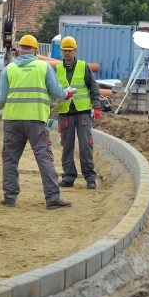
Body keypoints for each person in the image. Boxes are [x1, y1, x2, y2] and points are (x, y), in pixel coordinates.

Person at [0, 34, 73, 210]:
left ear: (18, 51)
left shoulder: (8, 69)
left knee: (9, 159)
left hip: (12, 120)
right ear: (36, 51)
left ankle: (9, 196)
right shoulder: (43, 67)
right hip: (36, 120)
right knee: (44, 158)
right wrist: (67, 94)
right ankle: (52, 199)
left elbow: (0, 100)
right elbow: (57, 91)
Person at [55, 36, 102, 189]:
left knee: (85, 145)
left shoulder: (83, 66)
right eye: (64, 50)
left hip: (82, 112)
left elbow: (93, 87)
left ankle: (90, 177)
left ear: (75, 50)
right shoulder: (57, 69)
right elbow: (54, 90)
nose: (67, 53)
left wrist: (96, 106)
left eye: (70, 50)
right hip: (66, 113)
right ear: (61, 51)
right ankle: (68, 177)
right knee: (67, 145)